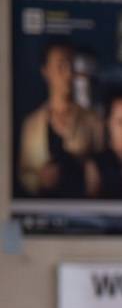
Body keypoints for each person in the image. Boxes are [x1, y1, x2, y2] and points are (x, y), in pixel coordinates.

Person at [16, 41, 104, 197]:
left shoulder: (93, 121)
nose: (69, 73)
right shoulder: (31, 124)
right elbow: (24, 173)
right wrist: (39, 180)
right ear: (46, 71)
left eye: (72, 66)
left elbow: (106, 169)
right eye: (61, 66)